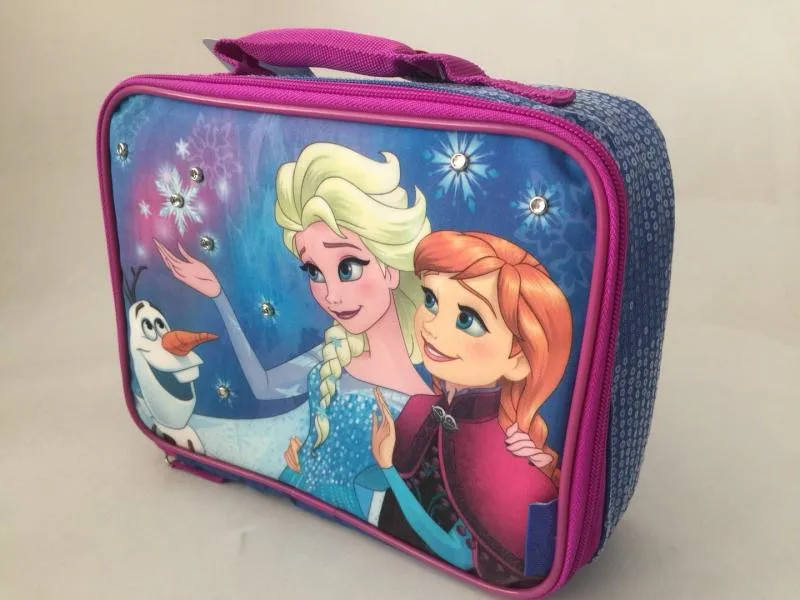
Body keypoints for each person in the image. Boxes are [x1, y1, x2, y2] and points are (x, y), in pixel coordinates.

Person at [155, 142, 432, 518]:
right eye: (314, 271)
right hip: (291, 487)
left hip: (354, 516)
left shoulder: (426, 406)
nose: (332, 295)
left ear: (390, 268)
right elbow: (264, 387)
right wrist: (218, 296)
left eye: (348, 267)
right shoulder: (337, 351)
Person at [364, 230, 572, 586]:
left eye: (467, 320)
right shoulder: (418, 409)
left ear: (519, 359)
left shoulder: (512, 462)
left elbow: (463, 553)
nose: (432, 326)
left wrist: (387, 468)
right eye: (431, 300)